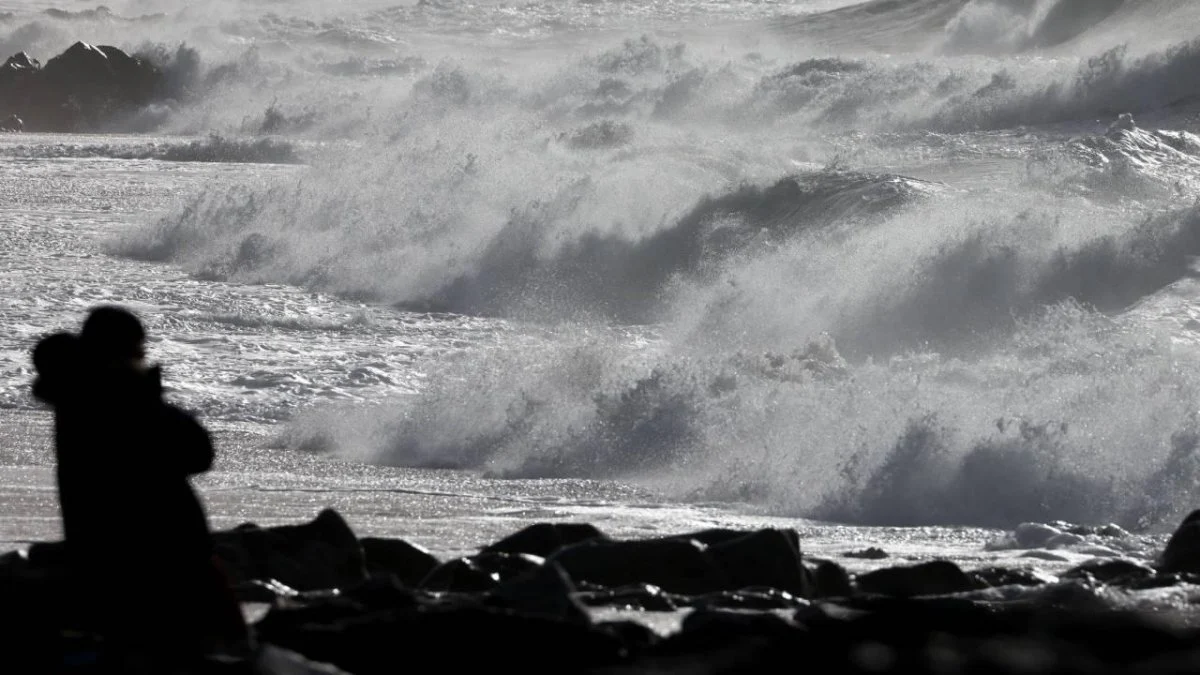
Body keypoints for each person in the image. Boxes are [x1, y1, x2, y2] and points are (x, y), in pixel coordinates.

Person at [31, 306, 251, 672]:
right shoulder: (117, 398)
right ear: (123, 351)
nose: (143, 356)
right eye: (138, 349)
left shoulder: (77, 396)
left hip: (110, 558)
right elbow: (196, 452)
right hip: (159, 559)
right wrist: (146, 391)